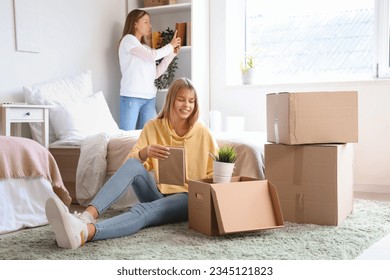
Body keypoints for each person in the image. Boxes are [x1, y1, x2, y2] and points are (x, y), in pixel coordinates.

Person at [45, 78, 218, 249]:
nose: (187, 105)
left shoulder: (203, 132)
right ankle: (86, 217)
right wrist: (146, 152)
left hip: (187, 198)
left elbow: (217, 173)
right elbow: (129, 165)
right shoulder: (153, 127)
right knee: (134, 165)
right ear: (171, 100)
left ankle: (84, 233)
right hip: (159, 192)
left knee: (142, 210)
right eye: (181, 99)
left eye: (191, 101)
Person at [119, 9, 181, 130]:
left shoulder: (146, 48)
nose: (150, 25)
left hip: (149, 98)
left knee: (148, 139)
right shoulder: (128, 40)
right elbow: (152, 55)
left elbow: (155, 73)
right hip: (132, 96)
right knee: (126, 137)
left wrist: (171, 54)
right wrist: (170, 46)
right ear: (135, 23)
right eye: (146, 22)